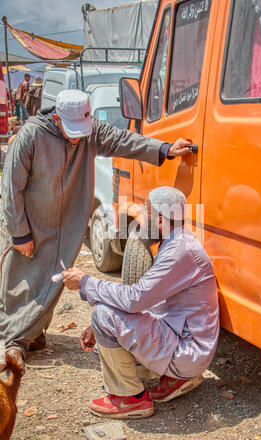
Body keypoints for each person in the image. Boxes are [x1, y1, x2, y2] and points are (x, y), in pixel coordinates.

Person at [0, 90, 191, 372]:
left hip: (66, 226)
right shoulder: (31, 136)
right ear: (56, 118)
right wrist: (19, 233)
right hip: (30, 224)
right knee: (20, 281)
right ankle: (11, 342)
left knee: (51, 281)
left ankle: (31, 334)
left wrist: (163, 149)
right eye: (72, 131)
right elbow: (11, 187)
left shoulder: (89, 133)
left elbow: (123, 140)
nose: (77, 138)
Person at [62, 186, 220, 419]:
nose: (142, 222)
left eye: (146, 215)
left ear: (159, 220)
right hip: (188, 346)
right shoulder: (177, 243)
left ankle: (130, 399)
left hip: (188, 352)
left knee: (103, 316)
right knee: (107, 322)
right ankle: (176, 377)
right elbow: (149, 301)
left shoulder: (179, 252)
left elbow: (135, 299)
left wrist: (85, 282)